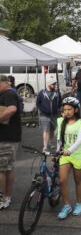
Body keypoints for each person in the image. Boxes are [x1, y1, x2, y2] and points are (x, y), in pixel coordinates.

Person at [56, 97, 81, 219]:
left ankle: (79, 204)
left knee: (77, 180)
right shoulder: (60, 121)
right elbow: (59, 138)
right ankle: (67, 205)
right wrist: (58, 151)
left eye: (70, 109)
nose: (67, 111)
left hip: (77, 155)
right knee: (62, 180)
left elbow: (80, 140)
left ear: (76, 110)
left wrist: (70, 150)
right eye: (65, 109)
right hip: (65, 155)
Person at [0, 75, 21, 210]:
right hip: (8, 138)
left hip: (6, 138)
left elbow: (12, 109)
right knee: (7, 168)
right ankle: (6, 197)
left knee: (2, 169)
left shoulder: (8, 94)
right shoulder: (7, 93)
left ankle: (3, 198)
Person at [36, 79, 62, 154]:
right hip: (44, 115)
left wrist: (58, 109)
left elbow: (60, 102)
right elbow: (38, 103)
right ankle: (45, 147)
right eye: (53, 84)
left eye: (55, 84)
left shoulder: (57, 93)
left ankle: (49, 143)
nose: (55, 86)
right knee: (46, 130)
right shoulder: (41, 93)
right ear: (49, 84)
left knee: (53, 130)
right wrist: (43, 110)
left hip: (55, 115)